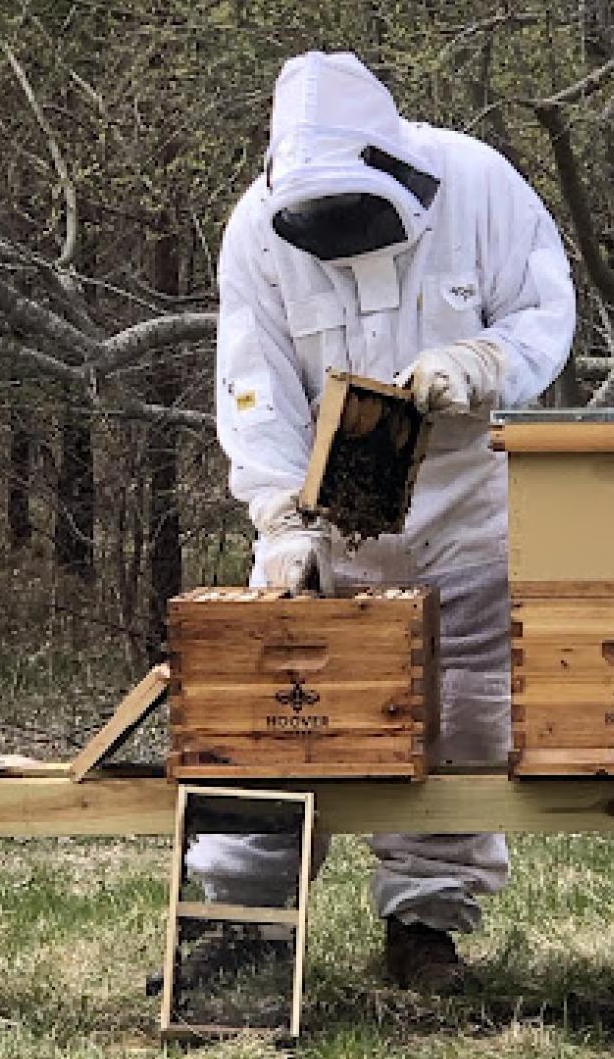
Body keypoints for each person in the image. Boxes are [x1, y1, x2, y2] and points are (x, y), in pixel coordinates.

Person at [191, 50, 575, 990]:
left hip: (472, 502)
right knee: (279, 717)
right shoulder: (254, 231)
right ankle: (242, 928)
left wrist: (483, 360)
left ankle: (425, 929)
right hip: (330, 517)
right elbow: (257, 386)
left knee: (464, 722)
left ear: (399, 169)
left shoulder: (482, 186)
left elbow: (544, 311)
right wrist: (283, 520)